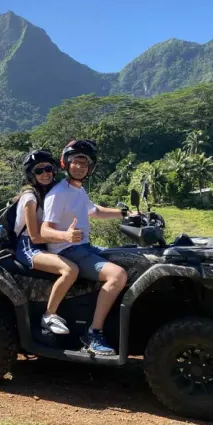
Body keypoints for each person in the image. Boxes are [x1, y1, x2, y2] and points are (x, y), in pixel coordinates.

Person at [41, 140, 130, 356]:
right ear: (66, 164)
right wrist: (66, 235)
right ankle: (94, 333)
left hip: (84, 247)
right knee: (117, 275)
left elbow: (95, 211)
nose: (79, 167)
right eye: (75, 162)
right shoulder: (58, 193)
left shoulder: (78, 191)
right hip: (67, 250)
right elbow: (44, 230)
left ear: (90, 168)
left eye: (84, 163)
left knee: (129, 256)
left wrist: (126, 214)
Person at [14, 150, 80, 335]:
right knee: (70, 270)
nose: (45, 173)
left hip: (43, 243)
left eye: (48, 168)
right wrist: (65, 236)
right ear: (31, 174)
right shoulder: (30, 198)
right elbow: (34, 235)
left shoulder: (50, 193)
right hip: (28, 246)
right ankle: (49, 315)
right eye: (39, 170)